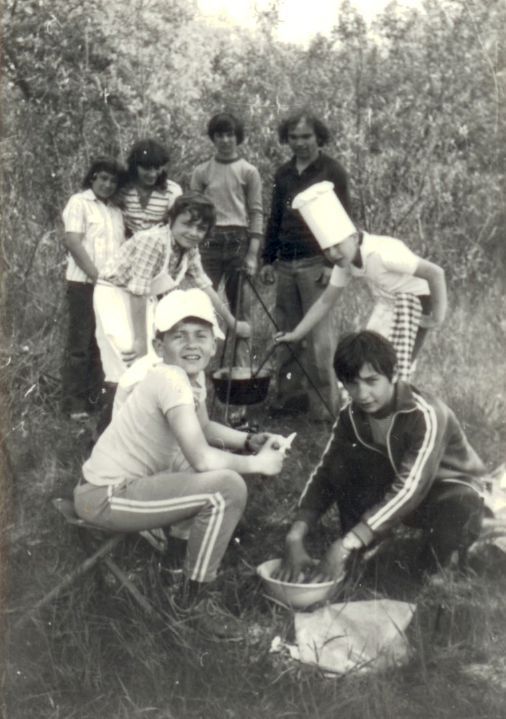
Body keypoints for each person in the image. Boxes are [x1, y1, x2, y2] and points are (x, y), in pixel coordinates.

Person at [75, 288, 288, 639]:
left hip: (119, 489)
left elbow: (202, 428)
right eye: (179, 336)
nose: (192, 344)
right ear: (159, 346)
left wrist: (248, 441)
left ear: (213, 345)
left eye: (201, 335)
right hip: (104, 497)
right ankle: (190, 605)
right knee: (227, 487)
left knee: (205, 473)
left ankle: (173, 567)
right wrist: (258, 464)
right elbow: (202, 457)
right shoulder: (169, 379)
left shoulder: (187, 378)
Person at [277, 331, 486, 587]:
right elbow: (325, 473)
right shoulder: (350, 416)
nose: (362, 394)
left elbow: (411, 488)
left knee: (426, 566)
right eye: (352, 383)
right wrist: (295, 534)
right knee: (341, 467)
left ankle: (446, 558)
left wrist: (347, 543)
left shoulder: (426, 414)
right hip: (400, 491)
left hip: (446, 493)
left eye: (371, 381)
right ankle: (366, 547)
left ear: (393, 374)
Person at [93, 192, 251, 429]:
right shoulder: (153, 241)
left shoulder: (190, 249)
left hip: (142, 299)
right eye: (187, 224)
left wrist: (231, 322)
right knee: (129, 362)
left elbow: (205, 285)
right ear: (171, 220)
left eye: (201, 228)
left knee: (153, 362)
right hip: (115, 295)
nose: (193, 232)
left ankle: (146, 428)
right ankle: (106, 434)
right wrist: (140, 341)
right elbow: (136, 291)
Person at [275, 188, 447, 380]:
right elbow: (325, 301)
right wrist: (297, 333)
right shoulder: (345, 262)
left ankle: (400, 396)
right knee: (365, 361)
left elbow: (435, 273)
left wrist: (436, 318)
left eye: (337, 245)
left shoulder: (382, 253)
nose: (333, 254)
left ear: (354, 237)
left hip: (412, 305)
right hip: (386, 304)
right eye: (327, 249)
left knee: (392, 372)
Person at [260, 110, 352, 421]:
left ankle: (325, 410)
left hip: (317, 262)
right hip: (286, 263)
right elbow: (275, 217)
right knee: (287, 335)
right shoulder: (283, 174)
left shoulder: (332, 171)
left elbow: (344, 220)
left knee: (319, 342)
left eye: (306, 136)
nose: (300, 143)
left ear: (318, 137)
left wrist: (330, 264)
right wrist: (268, 259)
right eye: (293, 137)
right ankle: (288, 399)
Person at [191, 112, 263, 427]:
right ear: (213, 138)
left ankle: (239, 400)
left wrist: (253, 254)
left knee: (240, 317)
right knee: (199, 309)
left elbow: (256, 212)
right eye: (219, 134)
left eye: (230, 134)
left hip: (238, 242)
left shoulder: (249, 171)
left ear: (238, 137)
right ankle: (194, 392)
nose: (225, 140)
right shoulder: (201, 172)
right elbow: (193, 212)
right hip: (208, 243)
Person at [61, 156, 125, 420]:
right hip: (84, 284)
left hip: (111, 288)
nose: (107, 185)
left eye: (113, 181)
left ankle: (95, 399)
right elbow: (73, 242)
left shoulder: (116, 211)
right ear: (93, 178)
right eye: (103, 178)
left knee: (103, 343)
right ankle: (74, 404)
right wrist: (96, 276)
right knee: (80, 344)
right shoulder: (80, 202)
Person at [120, 138, 182, 236]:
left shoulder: (172, 191)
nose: (152, 174)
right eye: (146, 168)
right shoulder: (122, 188)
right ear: (134, 166)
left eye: (157, 168)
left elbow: (176, 226)